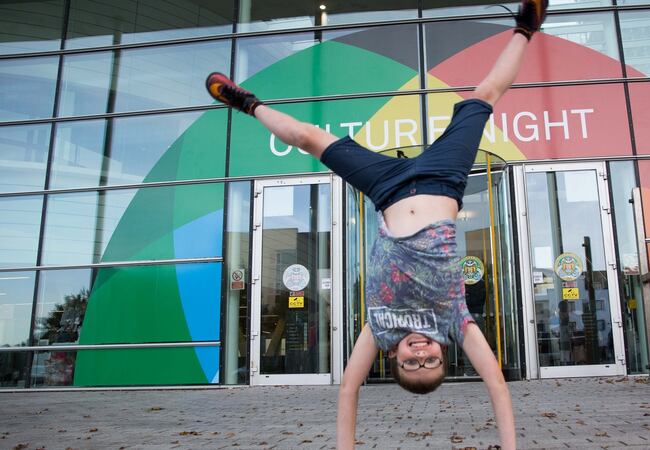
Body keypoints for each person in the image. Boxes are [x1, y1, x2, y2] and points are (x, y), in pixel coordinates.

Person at [205, 1, 547, 448]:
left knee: (310, 137)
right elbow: (497, 387)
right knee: (482, 99)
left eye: (411, 363)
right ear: (445, 352)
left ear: (393, 356)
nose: (420, 355)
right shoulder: (456, 321)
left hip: (386, 188)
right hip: (443, 180)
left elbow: (348, 391)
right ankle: (525, 28)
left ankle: (246, 103)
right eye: (430, 362)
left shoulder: (379, 326)